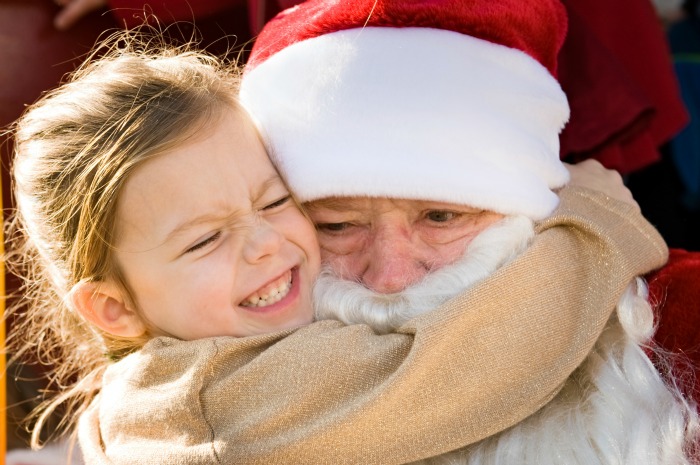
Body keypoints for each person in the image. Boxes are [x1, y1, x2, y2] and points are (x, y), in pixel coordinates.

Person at [5, 31, 670, 465]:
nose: (269, 244)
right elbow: (482, 360)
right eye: (206, 238)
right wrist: (592, 218)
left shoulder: (171, 376)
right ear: (114, 310)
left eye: (274, 200)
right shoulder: (216, 403)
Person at [239, 0, 700, 463]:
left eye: (440, 217)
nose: (390, 277)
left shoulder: (685, 309)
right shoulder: (223, 345)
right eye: (336, 225)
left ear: (519, 208)